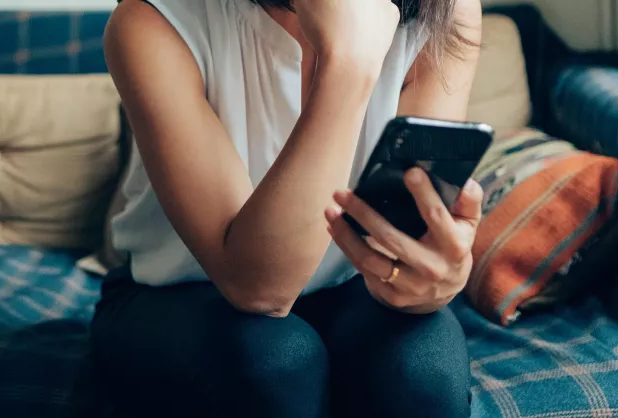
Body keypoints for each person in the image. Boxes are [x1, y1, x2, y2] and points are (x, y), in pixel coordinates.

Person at [91, 0, 483, 416]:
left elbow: (401, 239)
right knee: (274, 363)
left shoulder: (445, 11)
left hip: (349, 287)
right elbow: (259, 291)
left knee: (423, 374)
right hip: (180, 294)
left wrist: (434, 281)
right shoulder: (153, 21)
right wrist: (346, 65)